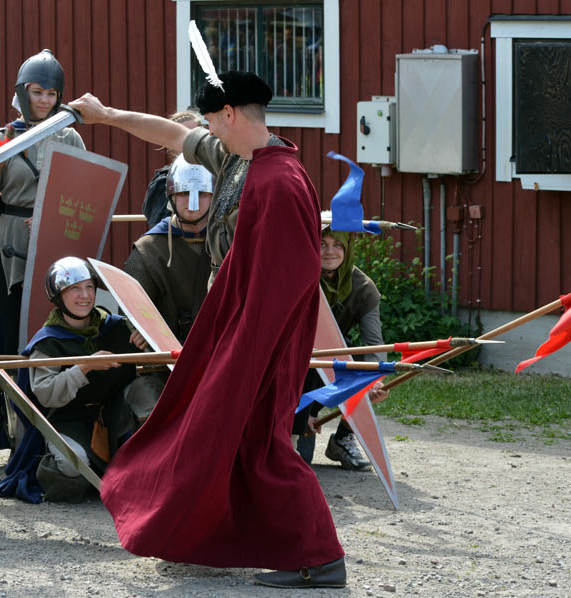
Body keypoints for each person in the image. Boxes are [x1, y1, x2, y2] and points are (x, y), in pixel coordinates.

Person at [69, 71, 346, 589]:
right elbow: (173, 135)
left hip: (262, 338)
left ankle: (319, 555)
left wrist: (246, 351)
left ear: (231, 115)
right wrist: (106, 115)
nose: (207, 132)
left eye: (213, 122)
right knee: (233, 438)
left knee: (261, 440)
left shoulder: (279, 181)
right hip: (236, 325)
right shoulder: (239, 159)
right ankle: (243, 539)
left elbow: (289, 282)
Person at [0, 49, 85, 355]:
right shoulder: (1, 138)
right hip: (11, 244)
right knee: (13, 328)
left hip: (56, 242)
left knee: (58, 325)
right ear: (22, 92)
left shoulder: (70, 138)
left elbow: (83, 195)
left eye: (51, 94)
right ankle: (12, 398)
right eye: (37, 92)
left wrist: (53, 216)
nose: (44, 100)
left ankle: (52, 396)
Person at [23, 257, 151, 503]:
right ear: (58, 295)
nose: (84, 296)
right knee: (72, 467)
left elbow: (147, 366)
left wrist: (144, 343)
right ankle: (65, 466)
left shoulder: (115, 327)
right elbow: (46, 393)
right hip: (68, 420)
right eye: (74, 289)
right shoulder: (47, 342)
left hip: (116, 415)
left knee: (147, 398)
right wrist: (84, 367)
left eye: (89, 287)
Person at [294, 225, 389, 469]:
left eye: (338, 244)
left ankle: (343, 438)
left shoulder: (363, 288)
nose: (330, 251)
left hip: (331, 361)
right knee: (299, 460)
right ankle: (294, 422)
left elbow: (374, 344)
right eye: (322, 243)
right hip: (294, 364)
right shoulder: (296, 276)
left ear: (348, 248)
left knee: (369, 373)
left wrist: (374, 382)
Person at [124, 154, 213, 343]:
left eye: (202, 194)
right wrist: (142, 331)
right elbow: (133, 313)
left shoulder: (227, 242)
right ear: (172, 195)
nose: (192, 204)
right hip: (166, 360)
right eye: (184, 193)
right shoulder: (148, 250)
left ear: (214, 196)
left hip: (220, 353)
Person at [140, 111, 202, 228]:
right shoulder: (163, 182)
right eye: (184, 137)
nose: (192, 143)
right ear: (170, 144)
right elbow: (161, 229)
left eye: (195, 135)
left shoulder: (215, 174)